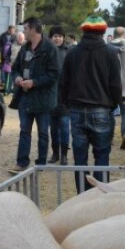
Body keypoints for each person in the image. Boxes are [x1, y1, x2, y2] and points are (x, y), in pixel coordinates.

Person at [60, 15, 121, 193]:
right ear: (103, 31)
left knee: (80, 157)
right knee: (102, 155)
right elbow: (116, 85)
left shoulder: (72, 53)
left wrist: (68, 103)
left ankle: (83, 195)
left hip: (77, 109)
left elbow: (63, 83)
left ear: (84, 31)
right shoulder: (110, 54)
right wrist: (112, 104)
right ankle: (100, 195)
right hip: (101, 108)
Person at [7, 17, 59, 174]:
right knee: (24, 131)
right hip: (25, 98)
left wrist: (34, 82)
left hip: (43, 99)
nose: (23, 31)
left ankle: (41, 163)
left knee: (43, 133)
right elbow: (15, 68)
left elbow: (54, 75)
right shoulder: (24, 48)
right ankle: (21, 162)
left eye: (25, 28)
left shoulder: (50, 48)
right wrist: (17, 77)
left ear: (33, 30)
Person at [47, 25, 71, 165]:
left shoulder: (68, 52)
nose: (57, 39)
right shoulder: (46, 51)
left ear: (63, 38)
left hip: (65, 96)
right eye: (55, 36)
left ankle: (64, 155)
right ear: (51, 37)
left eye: (60, 36)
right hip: (50, 96)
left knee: (64, 126)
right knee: (53, 128)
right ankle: (55, 153)